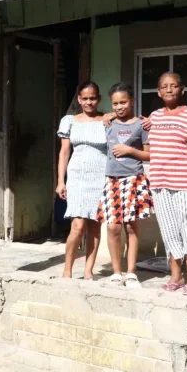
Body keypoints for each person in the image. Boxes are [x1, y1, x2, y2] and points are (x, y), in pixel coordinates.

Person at [147, 72, 187, 295]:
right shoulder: (153, 117)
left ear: (182, 90)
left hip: (186, 183)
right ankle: (176, 275)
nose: (169, 89)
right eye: (164, 86)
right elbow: (131, 126)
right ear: (158, 92)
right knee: (169, 231)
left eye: (174, 86)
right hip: (160, 183)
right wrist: (108, 117)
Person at [97, 83, 152, 289]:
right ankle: (116, 272)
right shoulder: (109, 122)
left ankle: (131, 273)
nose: (120, 107)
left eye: (124, 102)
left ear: (132, 101)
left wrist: (129, 150)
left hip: (133, 178)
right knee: (112, 227)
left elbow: (149, 154)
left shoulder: (141, 125)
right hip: (112, 179)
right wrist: (107, 115)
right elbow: (104, 117)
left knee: (131, 226)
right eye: (115, 103)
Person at [56, 81, 108, 279]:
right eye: (85, 98)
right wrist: (61, 181)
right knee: (77, 226)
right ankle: (67, 270)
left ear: (99, 98)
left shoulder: (106, 120)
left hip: (100, 177)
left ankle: (88, 271)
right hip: (77, 177)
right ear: (79, 99)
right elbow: (64, 152)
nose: (89, 102)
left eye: (93, 98)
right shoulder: (69, 121)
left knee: (94, 226)